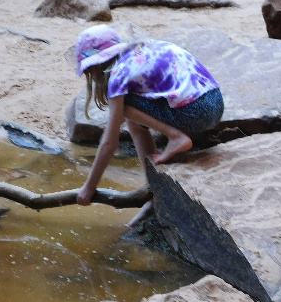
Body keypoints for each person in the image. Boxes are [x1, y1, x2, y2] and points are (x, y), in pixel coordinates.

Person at [72, 25, 224, 220]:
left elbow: (110, 142)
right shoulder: (142, 50)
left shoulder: (118, 76)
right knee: (133, 119)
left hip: (195, 113)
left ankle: (176, 137)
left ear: (95, 66)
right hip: (215, 102)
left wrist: (89, 187)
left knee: (125, 107)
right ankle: (152, 190)